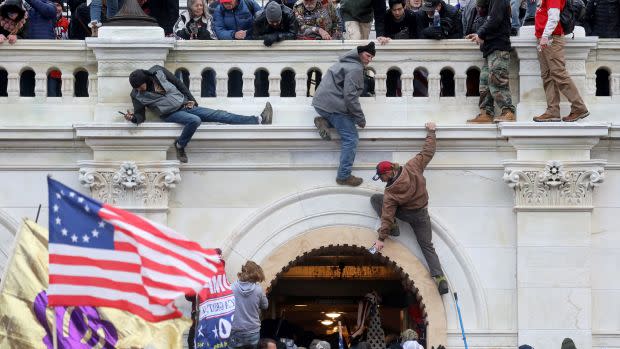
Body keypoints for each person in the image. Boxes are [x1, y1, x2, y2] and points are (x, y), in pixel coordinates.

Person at [125, 65, 273, 163]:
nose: (140, 89)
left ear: (146, 80)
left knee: (220, 115)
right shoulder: (137, 95)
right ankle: (180, 145)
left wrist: (192, 100)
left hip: (186, 105)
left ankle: (258, 119)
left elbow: (179, 83)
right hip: (170, 114)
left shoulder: (159, 71)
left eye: (140, 86)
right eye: (137, 88)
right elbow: (140, 116)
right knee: (194, 120)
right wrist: (133, 118)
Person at [370, 121, 449, 295]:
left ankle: (394, 229)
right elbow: (428, 152)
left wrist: (381, 238)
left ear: (387, 173)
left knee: (376, 199)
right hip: (421, 214)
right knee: (427, 246)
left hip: (406, 214)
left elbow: (387, 215)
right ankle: (440, 278)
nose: (381, 180)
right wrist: (431, 132)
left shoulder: (390, 193)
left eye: (381, 177)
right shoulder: (412, 167)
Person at [311, 42, 375, 187]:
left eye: (371, 57)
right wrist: (361, 119)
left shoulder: (345, 62)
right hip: (333, 105)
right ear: (359, 53)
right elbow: (350, 97)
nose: (369, 59)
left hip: (321, 104)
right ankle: (343, 176)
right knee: (351, 138)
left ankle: (325, 121)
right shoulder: (355, 68)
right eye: (367, 55)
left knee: (346, 120)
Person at [532, 0, 589, 122]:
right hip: (545, 38)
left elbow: (554, 16)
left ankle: (579, 107)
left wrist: (545, 36)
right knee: (547, 76)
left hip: (551, 38)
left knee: (559, 74)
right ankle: (553, 111)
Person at [465, 0, 516, 123]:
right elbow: (488, 20)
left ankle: (508, 112)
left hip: (498, 47)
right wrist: (479, 34)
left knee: (497, 80)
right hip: (490, 48)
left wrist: (481, 34)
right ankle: (486, 113)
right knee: (485, 81)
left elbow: (494, 20)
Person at [230, 261, 269, 349]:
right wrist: (264, 295)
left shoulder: (231, 288)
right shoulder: (258, 289)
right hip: (252, 331)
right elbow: (265, 306)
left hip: (235, 330)